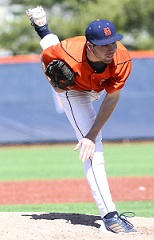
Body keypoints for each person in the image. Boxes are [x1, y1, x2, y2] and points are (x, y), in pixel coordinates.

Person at [26, 6, 137, 234]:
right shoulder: (67, 52)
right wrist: (55, 86)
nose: (110, 49)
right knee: (93, 150)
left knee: (92, 138)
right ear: (90, 45)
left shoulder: (121, 59)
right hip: (74, 90)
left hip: (99, 86)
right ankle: (110, 216)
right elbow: (45, 60)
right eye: (104, 45)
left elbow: (111, 98)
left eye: (113, 42)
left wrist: (91, 134)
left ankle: (42, 26)